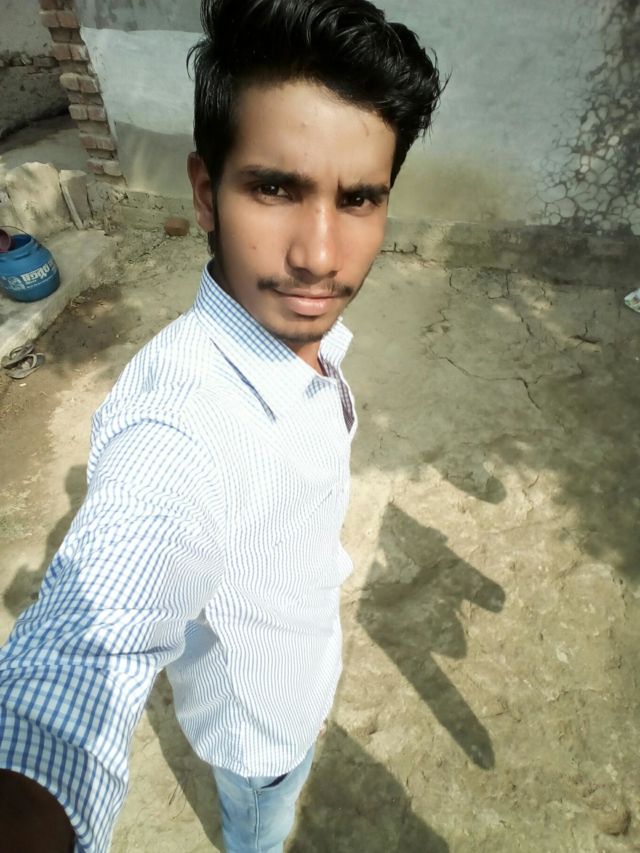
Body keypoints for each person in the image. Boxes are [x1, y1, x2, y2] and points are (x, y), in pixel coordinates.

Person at [0, 1, 442, 850]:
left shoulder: (309, 344)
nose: (319, 254)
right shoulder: (178, 424)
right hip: (260, 737)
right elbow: (77, 664)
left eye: (358, 198)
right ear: (206, 192)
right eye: (275, 188)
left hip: (300, 672)